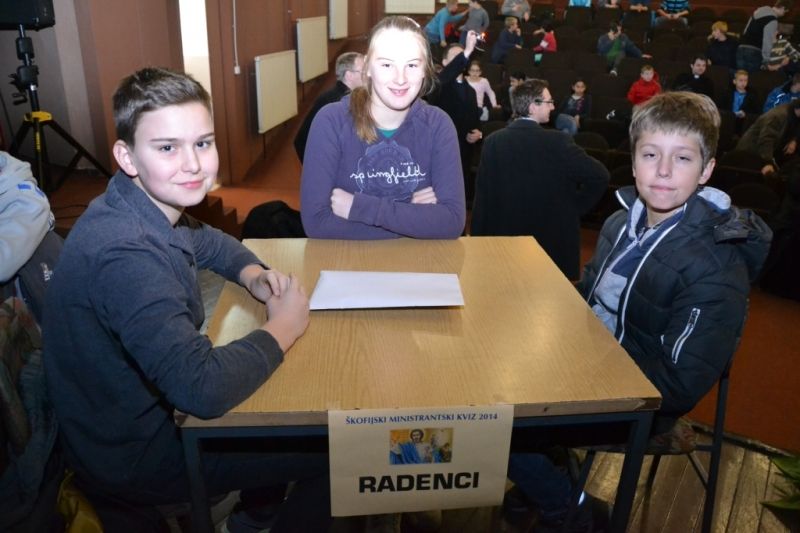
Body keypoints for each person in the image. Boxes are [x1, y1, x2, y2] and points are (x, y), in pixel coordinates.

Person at [43, 67, 330, 533]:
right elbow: (202, 388)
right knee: (335, 448)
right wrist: (284, 326)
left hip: (128, 424)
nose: (193, 164)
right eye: (167, 148)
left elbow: (208, 241)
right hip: (134, 455)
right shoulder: (126, 255)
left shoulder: (138, 203)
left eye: (202, 142)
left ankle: (254, 513)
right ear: (127, 156)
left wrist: (254, 275)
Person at [580, 91, 771, 438]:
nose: (663, 170)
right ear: (634, 163)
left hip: (635, 405)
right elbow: (587, 295)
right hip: (587, 356)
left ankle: (550, 473)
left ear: (706, 170)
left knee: (501, 420)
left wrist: (585, 369)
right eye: (650, 154)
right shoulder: (618, 222)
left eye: (682, 158)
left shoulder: (715, 266)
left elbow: (677, 385)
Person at [300, 16, 466, 239]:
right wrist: (414, 217)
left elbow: (451, 222)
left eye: (412, 65)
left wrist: (361, 208)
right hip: (348, 260)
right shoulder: (331, 121)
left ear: (425, 70)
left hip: (419, 261)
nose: (400, 79)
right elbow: (317, 224)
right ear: (368, 67)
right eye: (387, 65)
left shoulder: (438, 125)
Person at [470, 79, 609, 280]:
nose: (553, 106)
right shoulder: (559, 141)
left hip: (504, 244)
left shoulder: (493, 141)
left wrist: (477, 244)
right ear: (533, 106)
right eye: (548, 101)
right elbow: (600, 175)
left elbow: (483, 199)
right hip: (549, 244)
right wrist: (574, 208)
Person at [432, 39, 483, 205]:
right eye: (457, 57)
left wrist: (478, 133)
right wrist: (466, 52)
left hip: (464, 152)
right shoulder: (439, 85)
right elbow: (442, 80)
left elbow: (475, 121)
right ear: (445, 62)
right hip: (441, 151)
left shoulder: (471, 91)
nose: (462, 59)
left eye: (463, 56)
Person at [293, 52, 364, 163]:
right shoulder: (335, 103)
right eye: (363, 71)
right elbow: (301, 140)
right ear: (349, 75)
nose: (368, 76)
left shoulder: (349, 98)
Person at [737, 99, 800, 175]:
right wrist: (768, 162)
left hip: (772, 150)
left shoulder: (795, 114)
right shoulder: (778, 116)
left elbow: (795, 129)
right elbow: (766, 139)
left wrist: (793, 140)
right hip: (752, 151)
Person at [738, 0, 794, 73]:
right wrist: (766, 61)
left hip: (741, 48)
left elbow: (745, 30)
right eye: (785, 12)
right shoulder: (772, 20)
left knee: (742, 77)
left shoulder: (757, 12)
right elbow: (767, 41)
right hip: (754, 51)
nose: (783, 15)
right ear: (783, 8)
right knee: (753, 78)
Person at [725, 69, 761, 135]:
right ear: (734, 81)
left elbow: (757, 112)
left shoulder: (752, 95)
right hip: (729, 121)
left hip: (744, 123)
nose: (743, 83)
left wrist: (746, 115)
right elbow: (722, 108)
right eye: (741, 80)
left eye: (745, 80)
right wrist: (731, 114)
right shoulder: (727, 93)